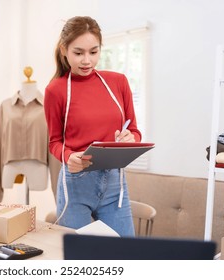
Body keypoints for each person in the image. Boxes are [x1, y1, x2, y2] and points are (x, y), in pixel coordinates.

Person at [44, 16, 141, 236]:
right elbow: (54, 143)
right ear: (64, 50)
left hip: (115, 185)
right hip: (76, 184)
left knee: (126, 255)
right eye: (78, 53)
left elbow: (134, 130)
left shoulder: (119, 82)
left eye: (93, 52)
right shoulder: (55, 91)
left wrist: (131, 138)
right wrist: (69, 157)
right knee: (77, 257)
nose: (86, 60)